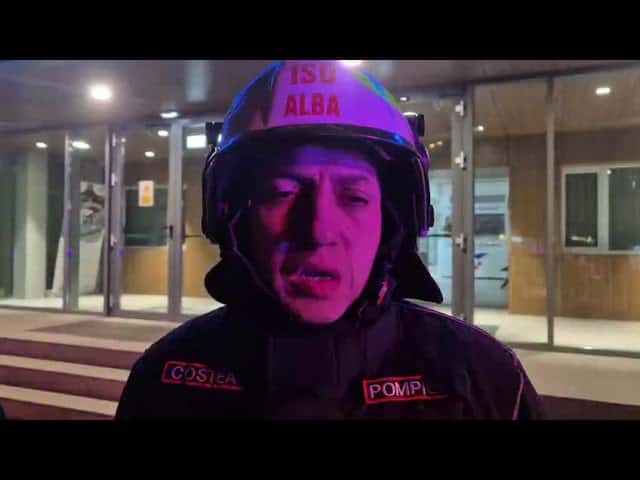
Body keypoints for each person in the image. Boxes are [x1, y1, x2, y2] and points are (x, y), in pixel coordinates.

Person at [115, 60, 544, 419]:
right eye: (284, 193)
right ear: (234, 217)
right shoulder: (164, 380)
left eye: (354, 198)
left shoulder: (487, 380)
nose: (318, 232)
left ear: (392, 222)